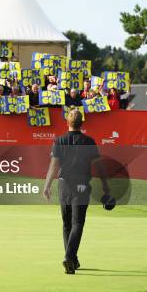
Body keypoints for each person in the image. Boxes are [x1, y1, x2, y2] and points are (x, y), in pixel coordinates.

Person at [43, 109, 110, 274]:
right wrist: (105, 185)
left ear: (67, 122)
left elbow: (54, 166)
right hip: (81, 186)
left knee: (67, 224)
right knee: (77, 223)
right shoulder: (89, 141)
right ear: (82, 123)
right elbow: (99, 165)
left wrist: (47, 185)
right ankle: (69, 257)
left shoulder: (60, 140)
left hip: (64, 185)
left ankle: (71, 258)